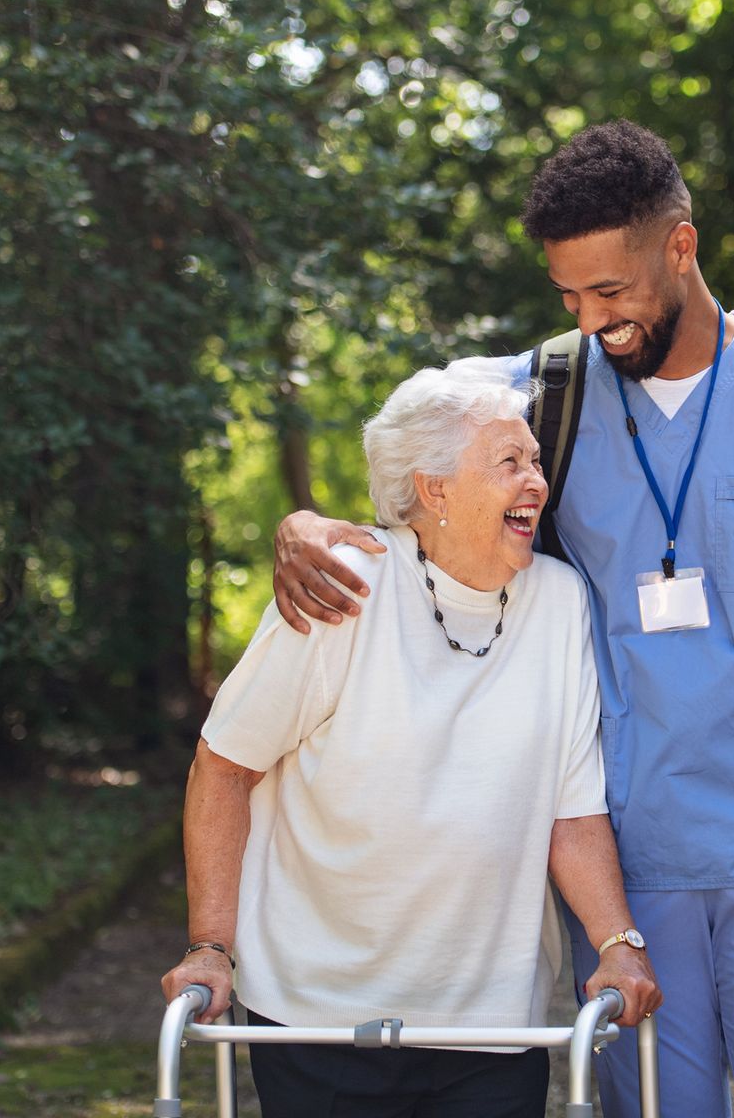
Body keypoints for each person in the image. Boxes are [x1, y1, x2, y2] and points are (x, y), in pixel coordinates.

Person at [273, 120, 734, 1118]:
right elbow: (414, 463)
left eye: (612, 292)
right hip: (628, 864)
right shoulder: (542, 394)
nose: (593, 321)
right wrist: (304, 521)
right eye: (570, 297)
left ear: (681, 245)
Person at [161, 358, 661, 1118]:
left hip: (493, 1023)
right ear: (433, 489)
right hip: (318, 1016)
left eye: (534, 461)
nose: (536, 482)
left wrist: (617, 940)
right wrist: (210, 945)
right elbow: (223, 765)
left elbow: (572, 811)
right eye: (508, 463)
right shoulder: (345, 584)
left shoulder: (559, 604)